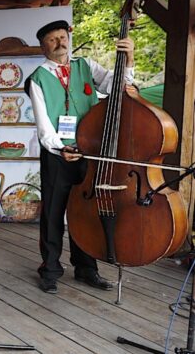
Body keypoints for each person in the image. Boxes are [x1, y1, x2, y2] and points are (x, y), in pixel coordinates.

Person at [27, 20, 134, 294]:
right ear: (43, 47)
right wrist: (59, 147)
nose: (60, 43)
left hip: (89, 151)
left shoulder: (85, 65)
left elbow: (116, 86)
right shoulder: (38, 77)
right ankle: (50, 269)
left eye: (62, 37)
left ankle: (86, 269)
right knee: (53, 214)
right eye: (53, 39)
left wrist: (129, 58)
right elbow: (43, 124)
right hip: (59, 154)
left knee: (85, 212)